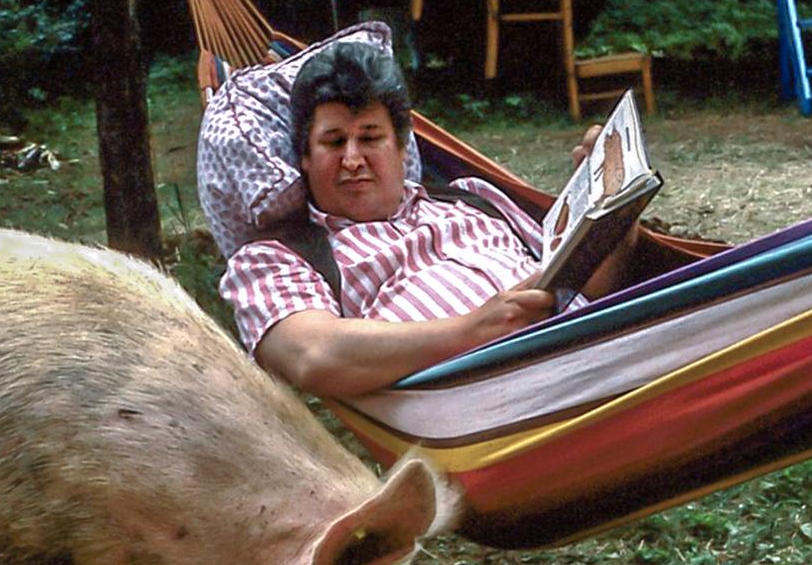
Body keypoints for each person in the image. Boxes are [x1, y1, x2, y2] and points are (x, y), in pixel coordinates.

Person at [218, 42, 679, 398]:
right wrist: (472, 331)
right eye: (334, 142)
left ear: (402, 148)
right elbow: (312, 356)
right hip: (493, 410)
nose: (353, 159)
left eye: (370, 138)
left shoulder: (472, 198)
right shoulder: (276, 260)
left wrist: (615, 214)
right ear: (304, 156)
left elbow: (593, 287)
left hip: (617, 366)